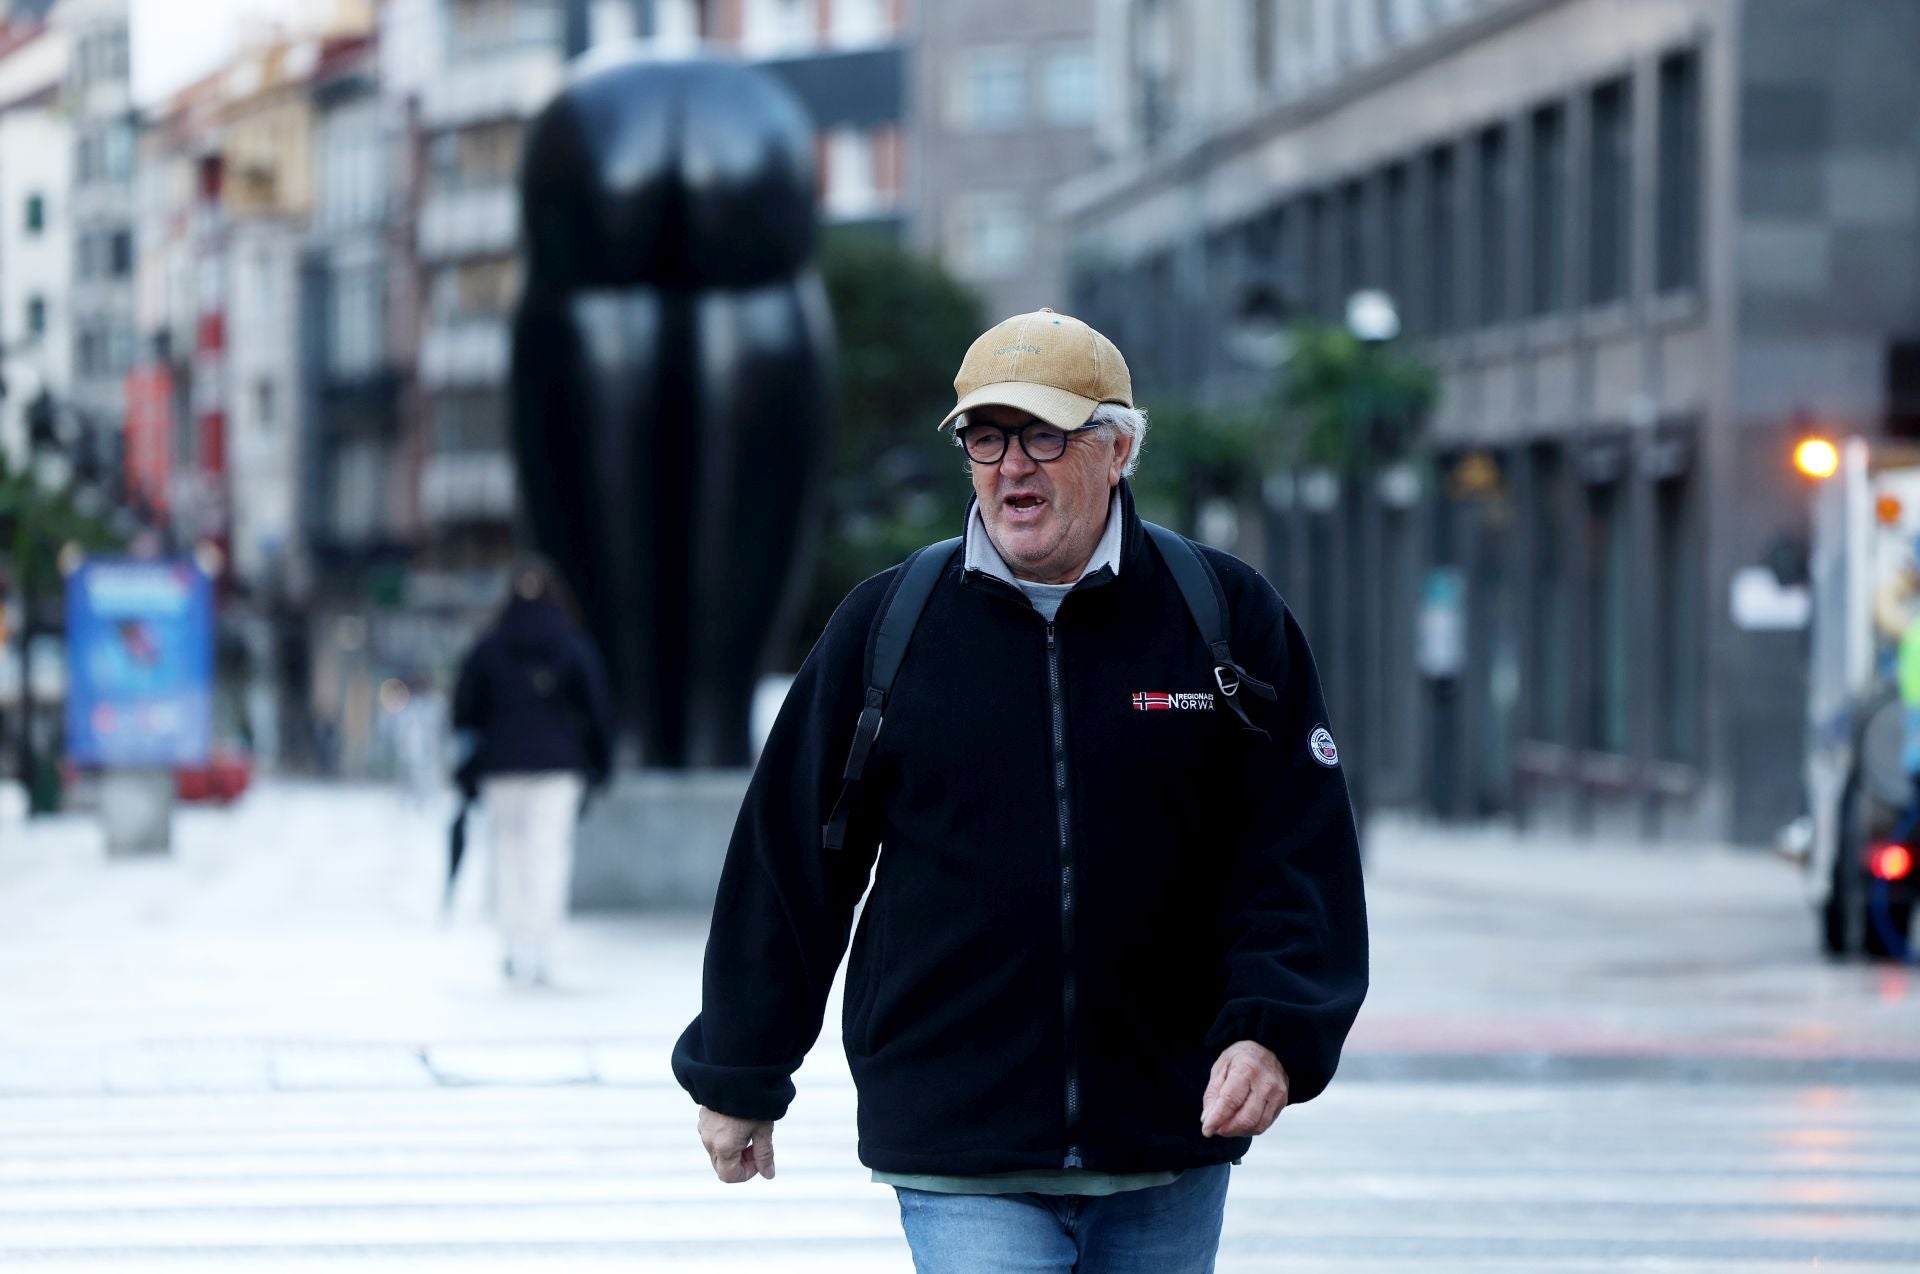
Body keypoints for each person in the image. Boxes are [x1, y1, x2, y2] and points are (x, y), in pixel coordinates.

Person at [672, 308, 1368, 1272]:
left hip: (1168, 1134)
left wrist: (1274, 1033)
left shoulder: (1225, 617)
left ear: (1118, 448)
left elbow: (1297, 850)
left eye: (1045, 434)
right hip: (960, 1140)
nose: (1012, 466)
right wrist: (741, 1067)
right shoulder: (890, 624)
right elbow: (791, 861)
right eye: (986, 437)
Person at [453, 561, 616, 986]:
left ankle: (512, 944)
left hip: (501, 767)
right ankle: (542, 947)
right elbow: (597, 709)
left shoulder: (489, 646)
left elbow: (463, 709)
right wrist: (601, 764)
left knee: (507, 854)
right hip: (558, 768)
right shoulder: (570, 644)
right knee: (548, 854)